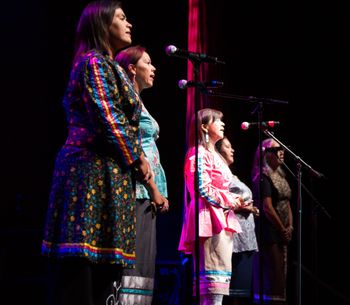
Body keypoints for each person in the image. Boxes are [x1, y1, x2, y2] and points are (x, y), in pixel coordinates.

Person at [41, 2, 164, 305]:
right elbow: (109, 116)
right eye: (121, 17)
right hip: (89, 176)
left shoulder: (111, 68)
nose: (129, 23)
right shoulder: (93, 62)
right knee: (82, 268)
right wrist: (137, 158)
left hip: (112, 176)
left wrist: (136, 160)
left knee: (106, 276)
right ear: (101, 24)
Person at [115, 45, 169, 304]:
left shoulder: (138, 101)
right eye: (147, 62)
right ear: (132, 69)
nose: (154, 68)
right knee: (134, 265)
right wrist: (155, 190)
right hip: (138, 190)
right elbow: (134, 149)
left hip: (147, 193)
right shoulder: (127, 101)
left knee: (145, 265)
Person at [178, 108, 246, 305]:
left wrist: (234, 200)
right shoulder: (197, 153)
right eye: (217, 120)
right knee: (211, 285)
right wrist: (231, 201)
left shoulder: (214, 154)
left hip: (221, 219)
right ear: (204, 126)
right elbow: (201, 189)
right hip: (208, 220)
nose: (223, 124)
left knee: (219, 286)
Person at [216, 137, 259, 305]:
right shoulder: (220, 174)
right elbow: (219, 201)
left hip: (247, 238)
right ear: (218, 152)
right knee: (233, 293)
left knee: (241, 294)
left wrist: (252, 208)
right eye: (228, 146)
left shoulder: (231, 174)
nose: (232, 150)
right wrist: (243, 207)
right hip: (235, 241)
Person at [251, 138, 293, 305]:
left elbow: (287, 201)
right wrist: (282, 229)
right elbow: (267, 207)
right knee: (272, 277)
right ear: (266, 155)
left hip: (282, 232)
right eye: (276, 150)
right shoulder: (263, 176)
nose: (281, 152)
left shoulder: (281, 175)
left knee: (281, 278)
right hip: (270, 233)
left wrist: (290, 226)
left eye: (282, 149)